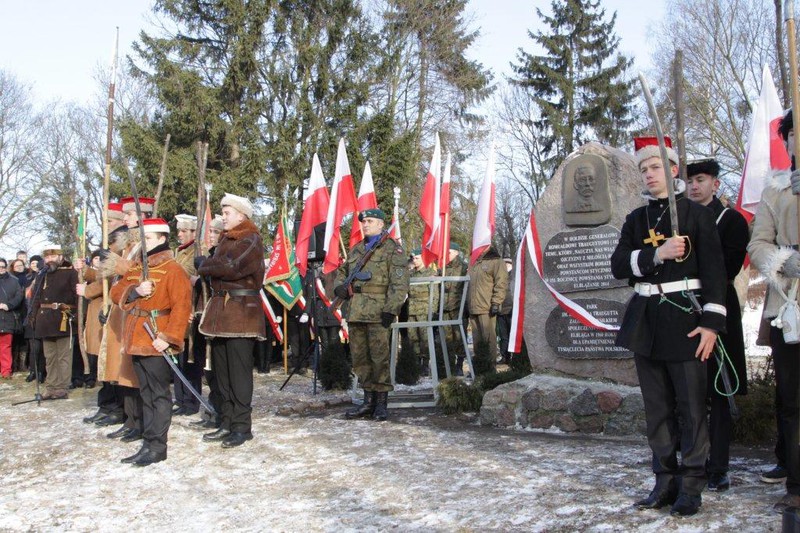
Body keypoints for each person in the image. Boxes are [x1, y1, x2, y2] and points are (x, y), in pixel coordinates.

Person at [610, 137, 727, 517]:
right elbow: (617, 266)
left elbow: (715, 274)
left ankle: (692, 484)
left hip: (687, 322)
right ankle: (665, 479)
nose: (649, 174)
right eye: (644, 169)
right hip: (647, 320)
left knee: (692, 408)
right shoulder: (636, 219)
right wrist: (655, 254)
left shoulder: (696, 215)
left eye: (656, 167)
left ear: (674, 170)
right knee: (656, 408)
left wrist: (711, 325)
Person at [686, 158, 749, 492]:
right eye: (689, 181)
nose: (694, 186)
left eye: (700, 179)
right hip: (684, 311)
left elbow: (728, 268)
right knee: (688, 391)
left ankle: (719, 465)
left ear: (715, 184)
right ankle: (693, 458)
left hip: (720, 310)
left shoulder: (732, 221)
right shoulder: (677, 219)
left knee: (720, 390)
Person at [748, 109, 800, 512]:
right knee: (792, 398)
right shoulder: (774, 192)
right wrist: (783, 261)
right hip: (790, 306)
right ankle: (797, 482)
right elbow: (758, 243)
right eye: (795, 135)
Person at [110, 218, 192, 466]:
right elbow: (116, 293)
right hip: (135, 337)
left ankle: (158, 446)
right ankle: (148, 441)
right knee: (145, 393)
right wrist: (135, 290)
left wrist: (167, 338)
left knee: (158, 395)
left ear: (161, 239)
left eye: (148, 238)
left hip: (156, 337)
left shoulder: (173, 269)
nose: (142, 243)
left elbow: (181, 307)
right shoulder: (136, 267)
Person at [198, 194, 266, 448]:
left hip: (242, 314)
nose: (222, 217)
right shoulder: (227, 239)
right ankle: (226, 421)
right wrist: (211, 263)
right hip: (221, 314)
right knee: (222, 373)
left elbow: (230, 267)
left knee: (238, 375)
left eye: (227, 213)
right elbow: (220, 265)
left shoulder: (251, 239)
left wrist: (205, 265)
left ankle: (241, 426)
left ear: (241, 215)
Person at [335, 208, 409, 421]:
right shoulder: (357, 249)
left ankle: (381, 404)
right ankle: (368, 402)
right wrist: (339, 287)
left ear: (380, 224)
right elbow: (342, 272)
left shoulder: (391, 249)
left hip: (378, 312)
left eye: (369, 221)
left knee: (380, 359)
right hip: (356, 311)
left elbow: (399, 283)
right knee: (360, 359)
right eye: (363, 221)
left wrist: (390, 309)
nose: (365, 224)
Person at [29, 246, 79, 400]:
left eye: (53, 256)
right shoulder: (42, 274)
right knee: (49, 357)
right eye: (47, 257)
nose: (50, 260)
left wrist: (77, 315)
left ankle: (62, 388)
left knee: (63, 356)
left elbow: (78, 296)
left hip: (63, 318)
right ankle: (50, 387)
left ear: (60, 256)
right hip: (44, 320)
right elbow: (36, 297)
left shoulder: (71, 273)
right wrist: (32, 315)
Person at [172, 213, 202, 416]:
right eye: (179, 231)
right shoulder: (178, 252)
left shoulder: (197, 252)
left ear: (193, 232)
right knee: (178, 358)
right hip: (177, 311)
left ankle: (191, 400)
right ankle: (181, 399)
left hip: (189, 309)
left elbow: (187, 277)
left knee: (190, 360)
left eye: (184, 231)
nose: (180, 234)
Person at [467, 246, 508, 371]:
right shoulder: (473, 261)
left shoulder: (496, 261)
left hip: (487, 307)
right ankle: (479, 367)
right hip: (473, 307)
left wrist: (496, 302)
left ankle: (490, 367)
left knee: (489, 339)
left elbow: (501, 282)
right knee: (477, 341)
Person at [407, 248, 439, 376]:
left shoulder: (430, 273)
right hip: (412, 310)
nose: (414, 261)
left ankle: (425, 364)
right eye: (413, 258)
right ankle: (415, 363)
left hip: (425, 310)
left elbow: (435, 294)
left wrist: (434, 311)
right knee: (412, 337)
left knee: (424, 339)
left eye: (417, 258)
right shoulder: (410, 275)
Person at [440, 243, 469, 376]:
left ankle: (459, 364)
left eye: (450, 252)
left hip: (459, 308)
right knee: (446, 338)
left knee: (459, 337)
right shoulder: (443, 268)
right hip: (444, 308)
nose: (447, 255)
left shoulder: (464, 267)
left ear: (457, 252)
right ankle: (449, 366)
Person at [0, 258, 23, 379]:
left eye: (3, 267)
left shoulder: (14, 281)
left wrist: (8, 305)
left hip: (7, 317)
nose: (1, 269)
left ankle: (6, 371)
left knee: (5, 346)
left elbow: (19, 296)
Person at [496, 257, 514, 365]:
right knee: (503, 336)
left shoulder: (514, 276)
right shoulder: (499, 277)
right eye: (504, 264)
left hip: (511, 309)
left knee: (512, 334)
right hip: (501, 310)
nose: (506, 266)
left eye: (507, 264)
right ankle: (504, 356)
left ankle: (514, 357)